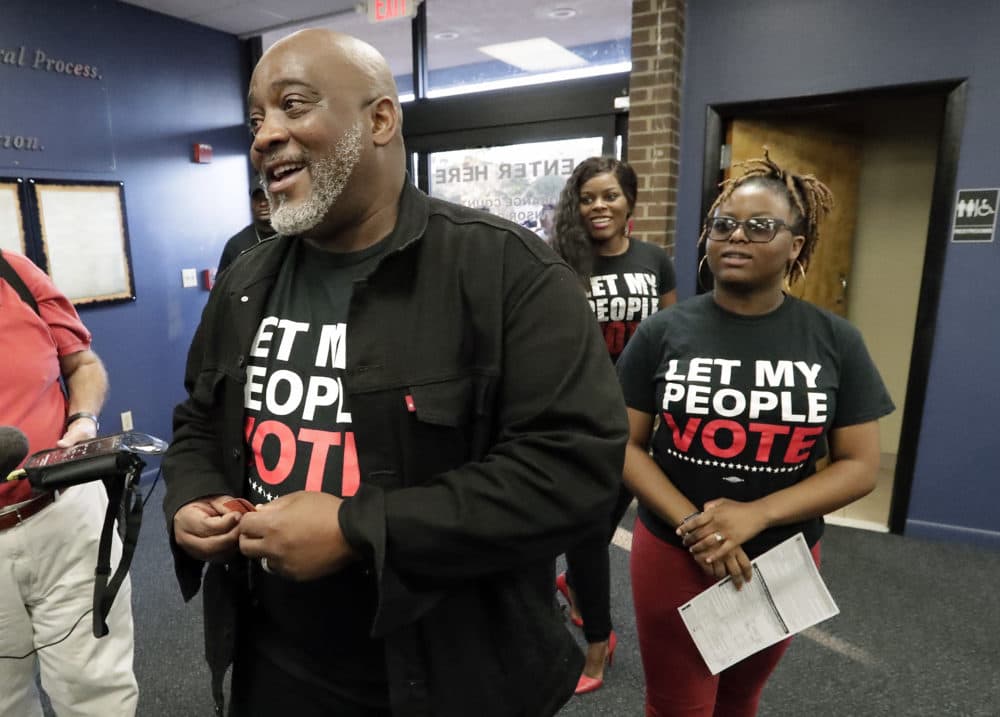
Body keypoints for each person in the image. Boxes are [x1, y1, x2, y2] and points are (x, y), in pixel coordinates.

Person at [161, 28, 626, 717]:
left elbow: (570, 473)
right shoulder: (245, 282)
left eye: (293, 106)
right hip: (275, 661)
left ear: (379, 119)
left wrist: (358, 528)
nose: (265, 136)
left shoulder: (507, 273)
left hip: (453, 674)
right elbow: (200, 417)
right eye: (258, 119)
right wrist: (192, 494)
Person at [615, 151, 894, 716]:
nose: (736, 236)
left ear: (796, 245)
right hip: (676, 551)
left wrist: (757, 514)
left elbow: (859, 466)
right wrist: (697, 527)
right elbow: (622, 444)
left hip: (781, 558)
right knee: (679, 706)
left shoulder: (835, 340)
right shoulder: (662, 331)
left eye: (760, 226)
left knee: (740, 698)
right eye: (723, 225)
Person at [550, 156, 676, 694]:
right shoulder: (563, 261)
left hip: (643, 422)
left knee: (597, 529)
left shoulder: (655, 260)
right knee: (584, 530)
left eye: (609, 196)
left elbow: (673, 335)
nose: (598, 207)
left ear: (630, 203)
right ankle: (597, 648)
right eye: (587, 198)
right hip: (584, 421)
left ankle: (575, 585)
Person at [0, 250, 138, 716]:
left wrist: (82, 418)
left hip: (66, 517)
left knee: (96, 692)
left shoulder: (16, 273)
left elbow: (82, 366)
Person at [217, 187, 275, 272]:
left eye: (267, 197)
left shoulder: (292, 237)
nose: (262, 203)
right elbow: (222, 284)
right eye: (257, 199)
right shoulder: (235, 244)